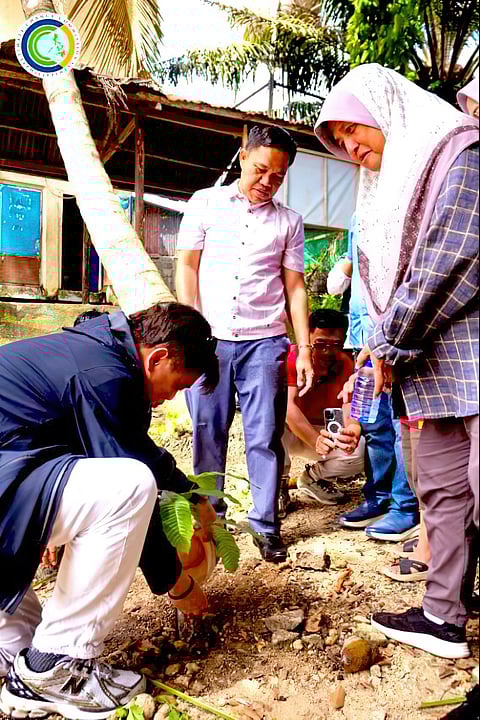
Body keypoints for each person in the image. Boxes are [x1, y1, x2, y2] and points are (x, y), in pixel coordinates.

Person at [316, 63, 478, 659]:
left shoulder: (461, 153)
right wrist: (379, 348)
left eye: (352, 129)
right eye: (336, 140)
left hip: (471, 355)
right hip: (431, 369)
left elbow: (451, 260)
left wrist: (385, 342)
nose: (349, 146)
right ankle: (443, 616)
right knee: (440, 491)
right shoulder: (389, 188)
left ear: (386, 109)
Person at [0, 303, 219, 718]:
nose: (170, 397)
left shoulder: (96, 351)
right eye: (176, 385)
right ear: (157, 357)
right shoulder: (106, 376)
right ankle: (58, 667)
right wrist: (178, 585)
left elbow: (131, 445)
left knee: (22, 652)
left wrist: (192, 495)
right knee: (129, 486)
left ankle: (28, 673)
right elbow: (136, 489)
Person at [176, 125, 313, 564]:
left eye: (278, 175)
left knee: (264, 438)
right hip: (210, 340)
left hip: (265, 344)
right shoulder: (205, 203)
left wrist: (303, 348)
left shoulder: (289, 221)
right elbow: (188, 267)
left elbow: (295, 287)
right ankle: (209, 520)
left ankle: (265, 525)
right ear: (242, 156)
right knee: (206, 432)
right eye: (260, 170)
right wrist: (188, 328)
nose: (267, 182)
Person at [327, 218, 420, 542]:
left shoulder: (403, 204)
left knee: (399, 429)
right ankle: (378, 498)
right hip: (361, 339)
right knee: (374, 426)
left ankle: (405, 508)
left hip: (394, 338)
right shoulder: (358, 218)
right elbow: (336, 285)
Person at [280, 308, 364, 514]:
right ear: (307, 338)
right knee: (269, 421)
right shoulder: (292, 358)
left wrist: (353, 428)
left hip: (325, 429)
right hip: (290, 431)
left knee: (361, 450)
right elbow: (288, 407)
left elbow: (348, 405)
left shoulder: (346, 363)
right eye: (320, 344)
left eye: (335, 345)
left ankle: (312, 479)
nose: (327, 351)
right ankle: (278, 485)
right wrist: (314, 440)